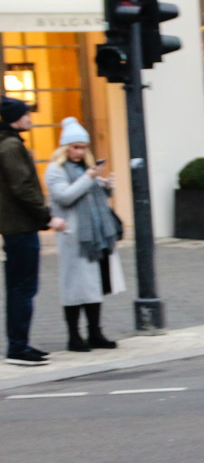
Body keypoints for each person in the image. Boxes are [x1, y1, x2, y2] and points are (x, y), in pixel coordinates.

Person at [44, 117, 123, 352]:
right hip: (74, 237)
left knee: (94, 287)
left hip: (95, 237)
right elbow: (65, 197)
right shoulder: (55, 170)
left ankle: (95, 332)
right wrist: (88, 178)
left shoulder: (83, 169)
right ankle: (73, 336)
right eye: (75, 147)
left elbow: (94, 196)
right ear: (64, 147)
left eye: (83, 147)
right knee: (73, 289)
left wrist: (106, 185)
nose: (80, 151)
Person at [0, 97, 66, 366]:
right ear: (15, 118)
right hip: (20, 226)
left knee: (19, 287)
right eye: (26, 114)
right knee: (22, 288)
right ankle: (18, 347)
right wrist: (48, 217)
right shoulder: (11, 146)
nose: (30, 118)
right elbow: (23, 187)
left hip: (17, 226)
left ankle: (20, 343)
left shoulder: (9, 144)